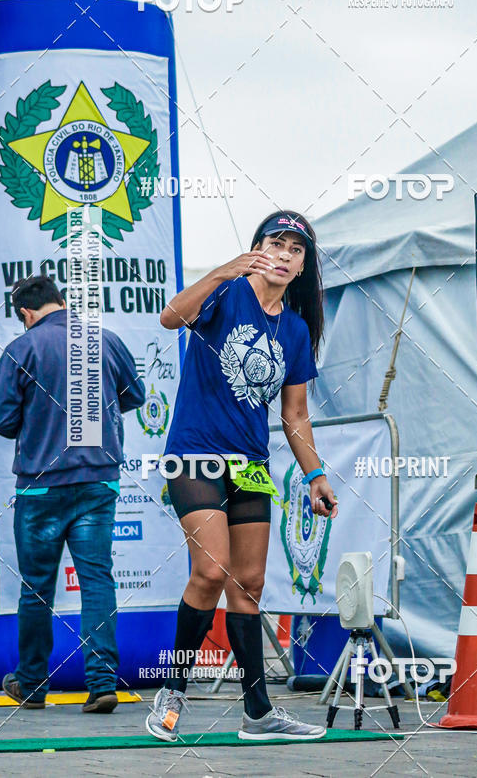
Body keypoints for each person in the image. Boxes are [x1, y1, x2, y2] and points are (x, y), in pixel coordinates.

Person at [146, 210, 338, 742]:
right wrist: (222, 271)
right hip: (195, 456)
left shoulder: (296, 330)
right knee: (210, 574)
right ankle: (175, 690)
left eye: (295, 250)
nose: (283, 254)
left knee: (249, 584)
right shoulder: (226, 294)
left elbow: (294, 415)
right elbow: (169, 318)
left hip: (250, 465)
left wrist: (316, 474)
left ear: (303, 267)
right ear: (257, 249)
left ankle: (258, 713)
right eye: (274, 243)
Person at [0, 276, 145, 712]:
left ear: (25, 313)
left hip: (41, 486)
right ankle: (102, 685)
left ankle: (32, 684)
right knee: (97, 580)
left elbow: (4, 423)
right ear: (62, 301)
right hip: (99, 480)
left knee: (37, 589)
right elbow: (133, 395)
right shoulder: (107, 339)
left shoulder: (21, 350)